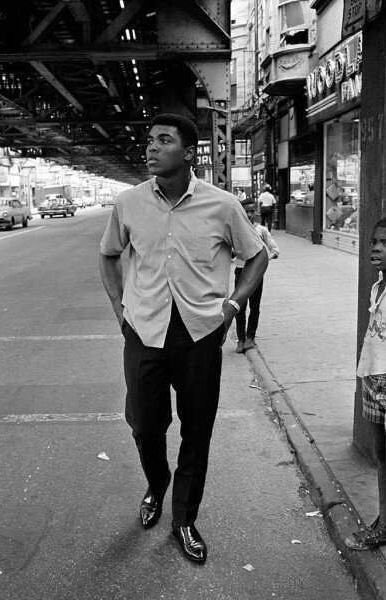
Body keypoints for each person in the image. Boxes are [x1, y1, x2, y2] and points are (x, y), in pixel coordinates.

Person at [99, 113, 268, 564]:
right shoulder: (128, 203)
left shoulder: (222, 204)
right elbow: (109, 254)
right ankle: (157, 485)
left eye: (163, 140)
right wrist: (120, 309)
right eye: (149, 140)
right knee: (144, 425)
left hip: (199, 334)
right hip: (144, 332)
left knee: (197, 430)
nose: (151, 147)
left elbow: (256, 258)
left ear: (189, 152)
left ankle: (184, 518)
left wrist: (231, 307)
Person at [344, 216, 386, 597]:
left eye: (385, 243)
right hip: (374, 380)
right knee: (384, 461)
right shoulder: (380, 284)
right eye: (373, 242)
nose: (375, 248)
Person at [234, 200, 280, 353]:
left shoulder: (261, 230)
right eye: (246, 211)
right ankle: (240, 340)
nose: (249, 214)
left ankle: (250, 338)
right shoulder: (236, 230)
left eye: (252, 211)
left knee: (255, 306)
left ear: (256, 212)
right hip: (240, 272)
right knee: (238, 306)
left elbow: (275, 249)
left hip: (256, 274)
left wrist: (264, 260)